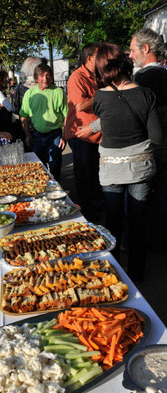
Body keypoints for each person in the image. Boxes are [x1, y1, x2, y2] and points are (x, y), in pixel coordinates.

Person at [76, 43, 163, 282]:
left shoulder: (100, 98)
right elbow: (156, 137)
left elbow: (108, 119)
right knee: (138, 222)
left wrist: (91, 128)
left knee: (113, 222)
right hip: (141, 169)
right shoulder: (146, 94)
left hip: (111, 170)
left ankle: (113, 274)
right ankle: (137, 274)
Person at [129, 28, 167, 248]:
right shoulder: (164, 73)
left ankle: (149, 241)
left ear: (146, 48)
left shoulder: (142, 79)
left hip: (150, 145)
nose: (131, 55)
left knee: (143, 196)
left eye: (133, 50)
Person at [65, 43, 103, 222]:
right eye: (100, 56)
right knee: (84, 175)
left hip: (95, 134)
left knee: (93, 173)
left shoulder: (98, 75)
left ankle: (95, 208)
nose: (104, 59)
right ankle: (86, 214)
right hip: (82, 135)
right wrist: (103, 95)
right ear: (90, 59)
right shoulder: (76, 77)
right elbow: (80, 107)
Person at [20, 63, 67, 182]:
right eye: (41, 76)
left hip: (55, 134)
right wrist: (28, 135)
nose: (45, 78)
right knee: (39, 167)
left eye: (47, 75)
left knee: (55, 166)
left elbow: (67, 116)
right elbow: (24, 116)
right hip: (37, 135)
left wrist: (64, 136)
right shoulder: (30, 94)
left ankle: (57, 191)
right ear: (36, 78)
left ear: (51, 77)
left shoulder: (58, 92)